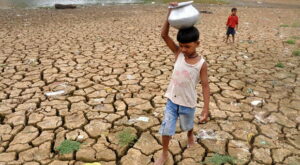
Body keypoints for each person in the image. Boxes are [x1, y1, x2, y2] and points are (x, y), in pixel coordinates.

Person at [155, 2, 210, 165]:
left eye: (188, 46)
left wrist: (206, 108)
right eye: (181, 46)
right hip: (172, 100)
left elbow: (205, 86)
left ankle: (190, 135)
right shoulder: (178, 53)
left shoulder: (201, 64)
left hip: (188, 102)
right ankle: (164, 153)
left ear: (197, 43)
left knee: (187, 125)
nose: (184, 49)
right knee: (166, 128)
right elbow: (164, 35)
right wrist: (170, 12)